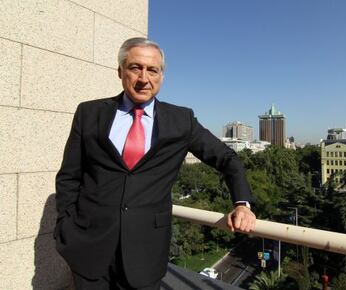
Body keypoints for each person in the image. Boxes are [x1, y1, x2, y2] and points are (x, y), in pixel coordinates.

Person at [55, 37, 256, 290]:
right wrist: (66, 227)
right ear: (120, 71)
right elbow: (69, 176)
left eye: (152, 70)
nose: (143, 78)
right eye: (135, 67)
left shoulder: (181, 120)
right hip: (89, 249)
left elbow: (228, 158)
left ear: (162, 75)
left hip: (146, 253)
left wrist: (241, 203)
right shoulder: (89, 113)